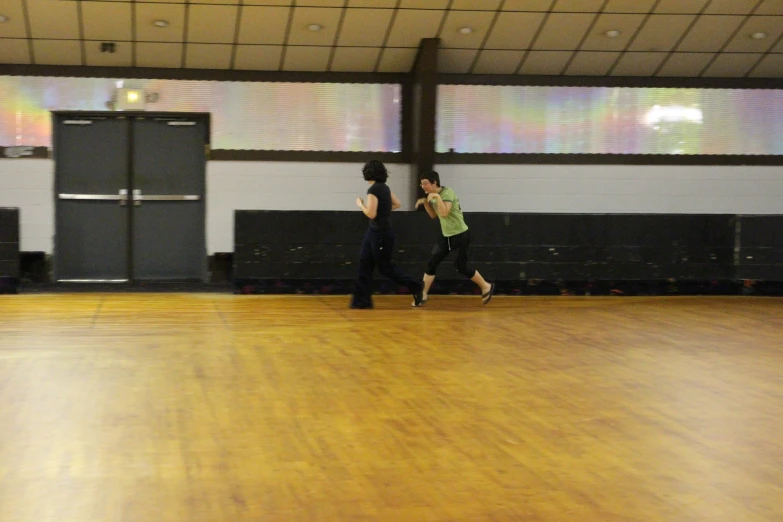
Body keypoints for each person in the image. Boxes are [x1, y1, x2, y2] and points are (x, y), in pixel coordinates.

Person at [350, 160, 424, 309]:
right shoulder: (384, 188)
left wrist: (360, 205)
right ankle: (362, 301)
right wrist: (383, 210)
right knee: (364, 264)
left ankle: (416, 286)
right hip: (374, 232)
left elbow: (371, 214)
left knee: (385, 268)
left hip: (380, 234)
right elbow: (397, 204)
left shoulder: (373, 190)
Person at [414, 170, 495, 306]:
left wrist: (437, 198)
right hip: (446, 236)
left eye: (425, 184)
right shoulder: (431, 196)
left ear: (435, 183)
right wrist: (426, 203)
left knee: (460, 267)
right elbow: (434, 215)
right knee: (432, 263)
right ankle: (423, 295)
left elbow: (444, 212)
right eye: (422, 184)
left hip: (460, 235)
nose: (423, 186)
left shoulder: (447, 193)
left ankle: (486, 286)